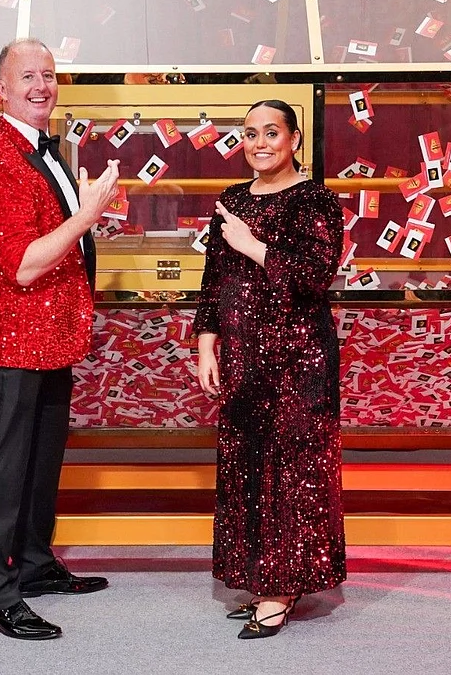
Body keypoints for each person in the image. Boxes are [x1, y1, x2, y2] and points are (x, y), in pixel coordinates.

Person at [0, 38, 121, 640]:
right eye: (27, 76)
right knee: (0, 470)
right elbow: (25, 265)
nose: (41, 85)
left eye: (49, 75)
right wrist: (87, 214)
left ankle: (31, 563)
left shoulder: (41, 149)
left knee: (39, 461)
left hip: (51, 337)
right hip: (11, 339)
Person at [195, 99, 346, 639]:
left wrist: (253, 246)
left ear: (294, 139)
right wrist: (206, 344)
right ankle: (262, 581)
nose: (260, 143)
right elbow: (214, 279)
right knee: (247, 469)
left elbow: (314, 276)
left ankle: (281, 592)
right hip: (242, 358)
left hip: (297, 360)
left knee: (291, 471)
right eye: (250, 133)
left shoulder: (316, 201)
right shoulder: (233, 199)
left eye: (271, 133)